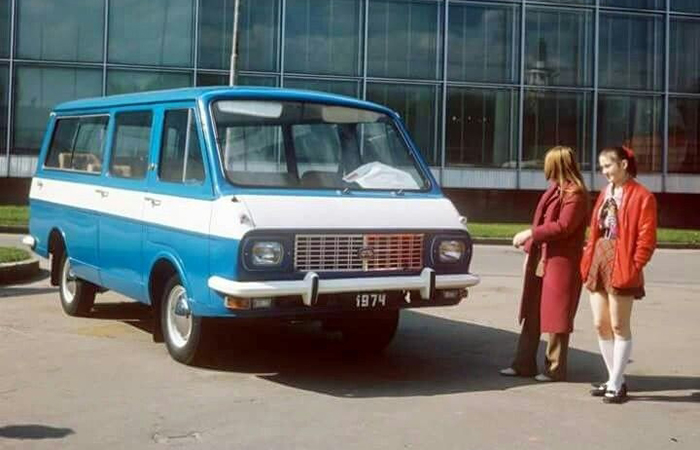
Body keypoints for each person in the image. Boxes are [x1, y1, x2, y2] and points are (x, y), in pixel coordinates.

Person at [500, 146, 589, 382]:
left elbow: (563, 227)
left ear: (556, 165)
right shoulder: (555, 190)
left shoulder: (575, 194)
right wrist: (530, 249)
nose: (544, 169)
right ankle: (523, 364)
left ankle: (555, 369)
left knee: (558, 317)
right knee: (533, 312)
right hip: (544, 259)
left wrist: (530, 234)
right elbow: (544, 223)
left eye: (547, 164)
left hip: (562, 263)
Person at [580, 146, 657, 404]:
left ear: (623, 164)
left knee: (618, 325)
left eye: (608, 166)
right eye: (601, 167)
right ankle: (616, 378)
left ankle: (615, 382)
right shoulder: (606, 192)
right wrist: (588, 258)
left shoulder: (643, 196)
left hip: (622, 262)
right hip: (599, 258)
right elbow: (595, 228)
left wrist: (635, 265)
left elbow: (647, 238)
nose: (604, 171)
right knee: (600, 324)